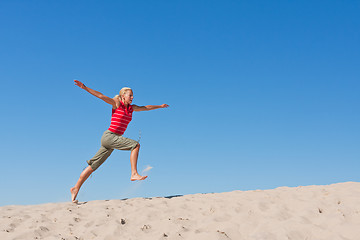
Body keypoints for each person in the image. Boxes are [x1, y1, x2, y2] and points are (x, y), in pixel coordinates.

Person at [71, 80, 169, 203]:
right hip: (110, 136)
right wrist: (85, 87)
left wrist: (159, 106)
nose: (132, 97)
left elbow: (146, 108)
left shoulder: (131, 108)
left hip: (112, 140)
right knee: (135, 145)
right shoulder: (117, 103)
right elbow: (101, 96)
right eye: (130, 95)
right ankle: (134, 173)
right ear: (123, 96)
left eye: (133, 95)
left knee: (93, 166)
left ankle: (75, 188)